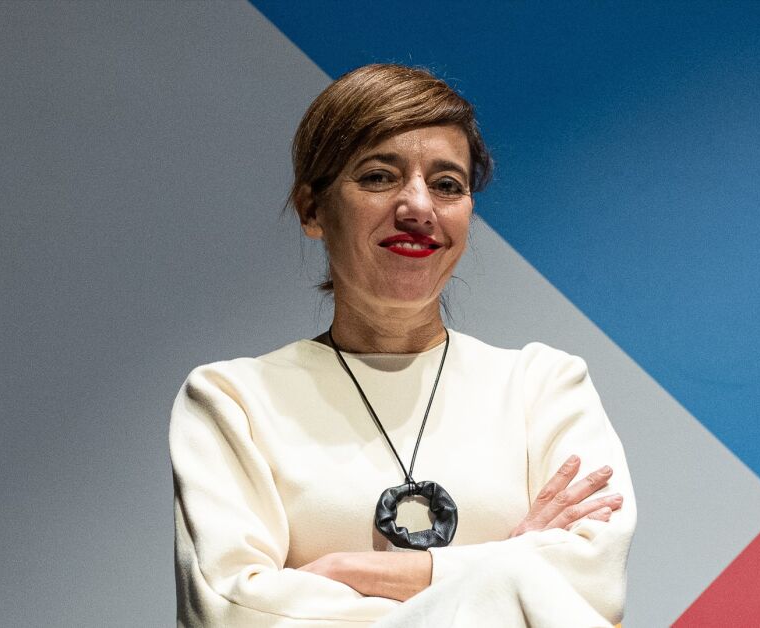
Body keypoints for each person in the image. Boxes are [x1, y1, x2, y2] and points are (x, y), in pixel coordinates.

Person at [170, 64, 636, 627]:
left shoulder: (545, 387)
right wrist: (509, 570)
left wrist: (358, 571)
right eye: (378, 177)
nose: (418, 208)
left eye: (448, 185)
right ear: (312, 209)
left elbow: (593, 587)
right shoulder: (232, 401)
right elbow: (231, 614)